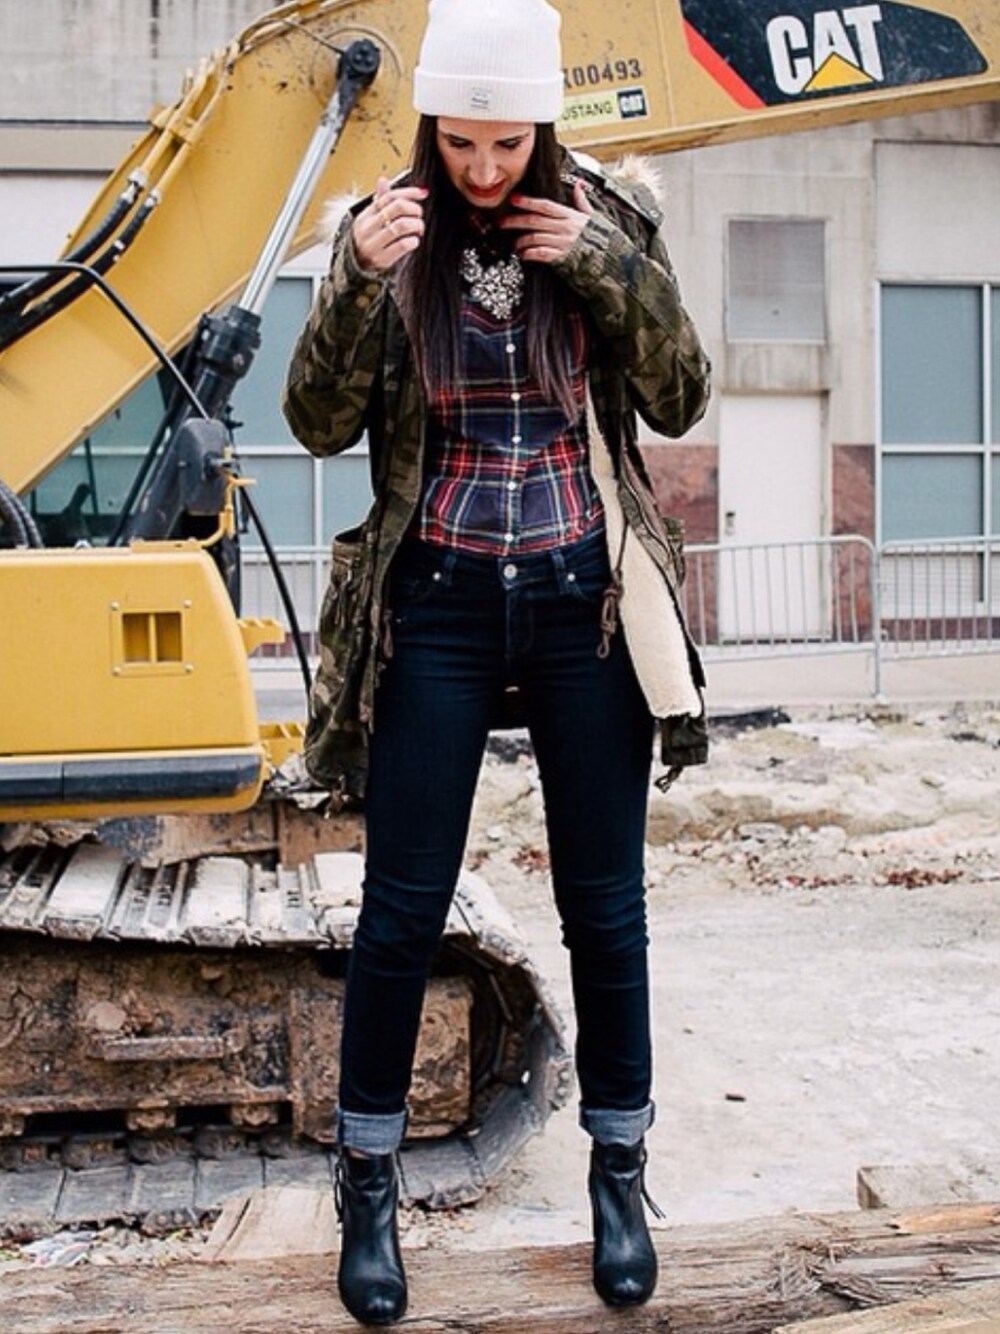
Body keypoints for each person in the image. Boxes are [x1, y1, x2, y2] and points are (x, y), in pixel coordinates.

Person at [283, 0, 710, 1322]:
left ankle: (619, 1174)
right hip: (441, 605)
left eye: (506, 143)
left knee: (606, 909)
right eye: (460, 142)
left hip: (585, 604)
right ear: (431, 127)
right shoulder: (389, 232)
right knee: (400, 910)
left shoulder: (609, 219)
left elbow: (683, 396)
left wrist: (606, 265)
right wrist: (353, 280)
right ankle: (367, 1184)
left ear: (542, 129)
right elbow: (314, 421)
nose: (480, 167)